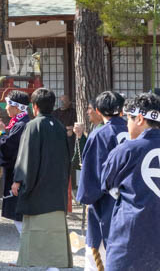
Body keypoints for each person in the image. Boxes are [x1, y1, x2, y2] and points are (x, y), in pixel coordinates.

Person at [11, 87, 73, 269]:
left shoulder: (33, 126)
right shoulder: (60, 126)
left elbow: (26, 157)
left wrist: (18, 180)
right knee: (54, 230)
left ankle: (41, 264)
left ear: (35, 106)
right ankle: (53, 264)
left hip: (38, 187)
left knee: (36, 229)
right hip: (57, 188)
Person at [99, 92, 160, 271]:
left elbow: (107, 183)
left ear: (139, 119)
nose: (127, 125)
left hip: (130, 237)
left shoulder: (126, 150)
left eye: (128, 119)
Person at [75, 90, 128, 270]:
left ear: (98, 110)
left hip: (106, 201)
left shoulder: (100, 134)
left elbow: (93, 174)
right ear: (122, 110)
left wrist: (85, 196)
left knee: (99, 256)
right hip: (132, 199)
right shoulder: (134, 131)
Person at [0, 90, 31, 234]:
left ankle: (27, 247)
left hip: (17, 175)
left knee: (19, 216)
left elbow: (9, 150)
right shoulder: (21, 123)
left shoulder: (21, 125)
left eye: (8, 104)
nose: (6, 108)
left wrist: (1, 132)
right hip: (19, 174)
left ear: (17, 107)